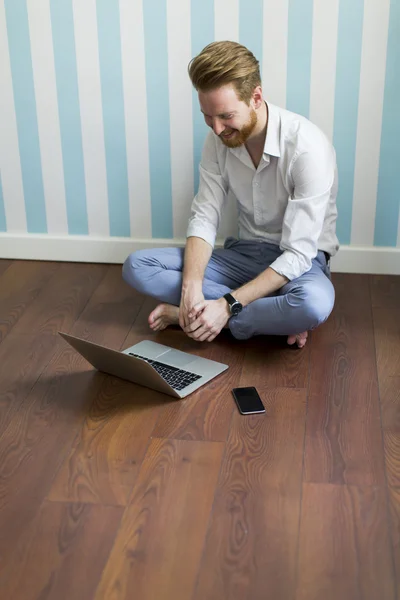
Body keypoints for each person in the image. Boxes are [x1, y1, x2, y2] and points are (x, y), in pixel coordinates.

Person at [122, 41, 339, 349]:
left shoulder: (307, 149)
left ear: (256, 97)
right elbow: (204, 215)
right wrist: (192, 288)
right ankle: (257, 317)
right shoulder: (218, 140)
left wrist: (227, 305)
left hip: (302, 264)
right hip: (244, 255)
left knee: (312, 305)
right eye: (207, 116)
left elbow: (298, 255)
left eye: (225, 116)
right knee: (138, 266)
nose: (217, 128)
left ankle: (202, 317)